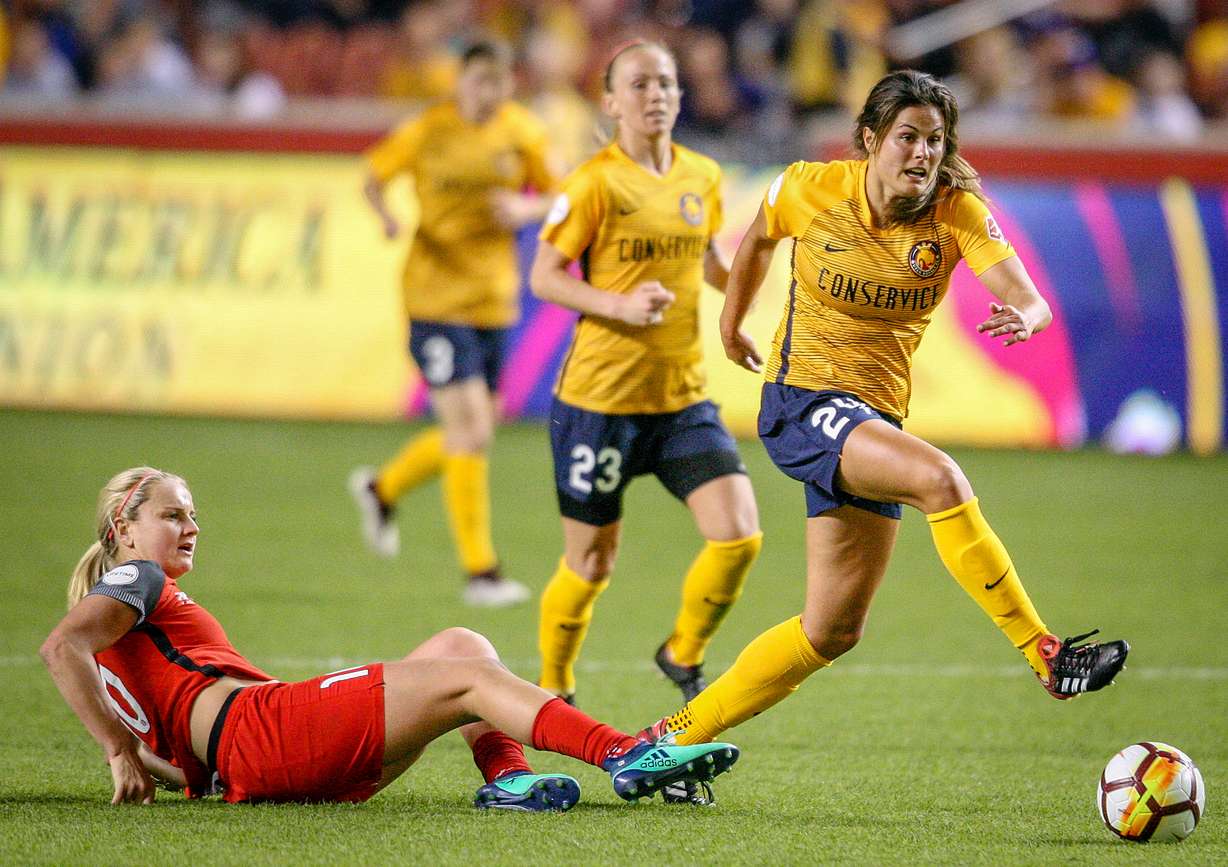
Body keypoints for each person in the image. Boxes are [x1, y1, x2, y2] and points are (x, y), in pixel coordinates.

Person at [642, 70, 1130, 748]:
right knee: (941, 481)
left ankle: (668, 738)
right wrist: (731, 323)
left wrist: (1027, 314)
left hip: (869, 424)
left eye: (934, 139)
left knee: (831, 630)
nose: (922, 153)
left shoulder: (956, 213)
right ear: (870, 140)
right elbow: (756, 238)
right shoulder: (810, 188)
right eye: (907, 137)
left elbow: (1028, 295)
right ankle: (1045, 654)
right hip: (802, 403)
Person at [41, 467, 740, 808]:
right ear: (123, 531)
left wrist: (143, 759)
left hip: (254, 759)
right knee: (470, 679)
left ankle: (511, 779)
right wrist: (117, 752)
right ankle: (625, 752)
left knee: (462, 645)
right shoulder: (136, 577)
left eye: (192, 513)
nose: (190, 526)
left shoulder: (121, 640)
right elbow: (56, 646)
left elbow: (160, 749)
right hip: (268, 734)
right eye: (171, 513)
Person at [529, 41, 762, 707]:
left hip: (681, 396)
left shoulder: (703, 176)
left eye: (665, 82)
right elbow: (543, 275)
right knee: (592, 562)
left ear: (680, 96)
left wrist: (738, 311)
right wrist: (618, 305)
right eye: (638, 84)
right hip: (599, 401)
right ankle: (554, 686)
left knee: (739, 533)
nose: (654, 94)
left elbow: (710, 261)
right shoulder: (593, 182)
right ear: (610, 101)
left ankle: (681, 652)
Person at [350, 40, 557, 607]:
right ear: (460, 81)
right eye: (478, 81)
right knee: (470, 433)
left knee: (478, 426)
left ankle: (382, 487)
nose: (488, 93)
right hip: (435, 298)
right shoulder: (428, 130)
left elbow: (562, 195)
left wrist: (525, 209)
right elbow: (371, 175)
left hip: (494, 300)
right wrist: (388, 218)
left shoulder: (523, 133)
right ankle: (481, 572)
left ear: (509, 84)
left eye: (499, 82)